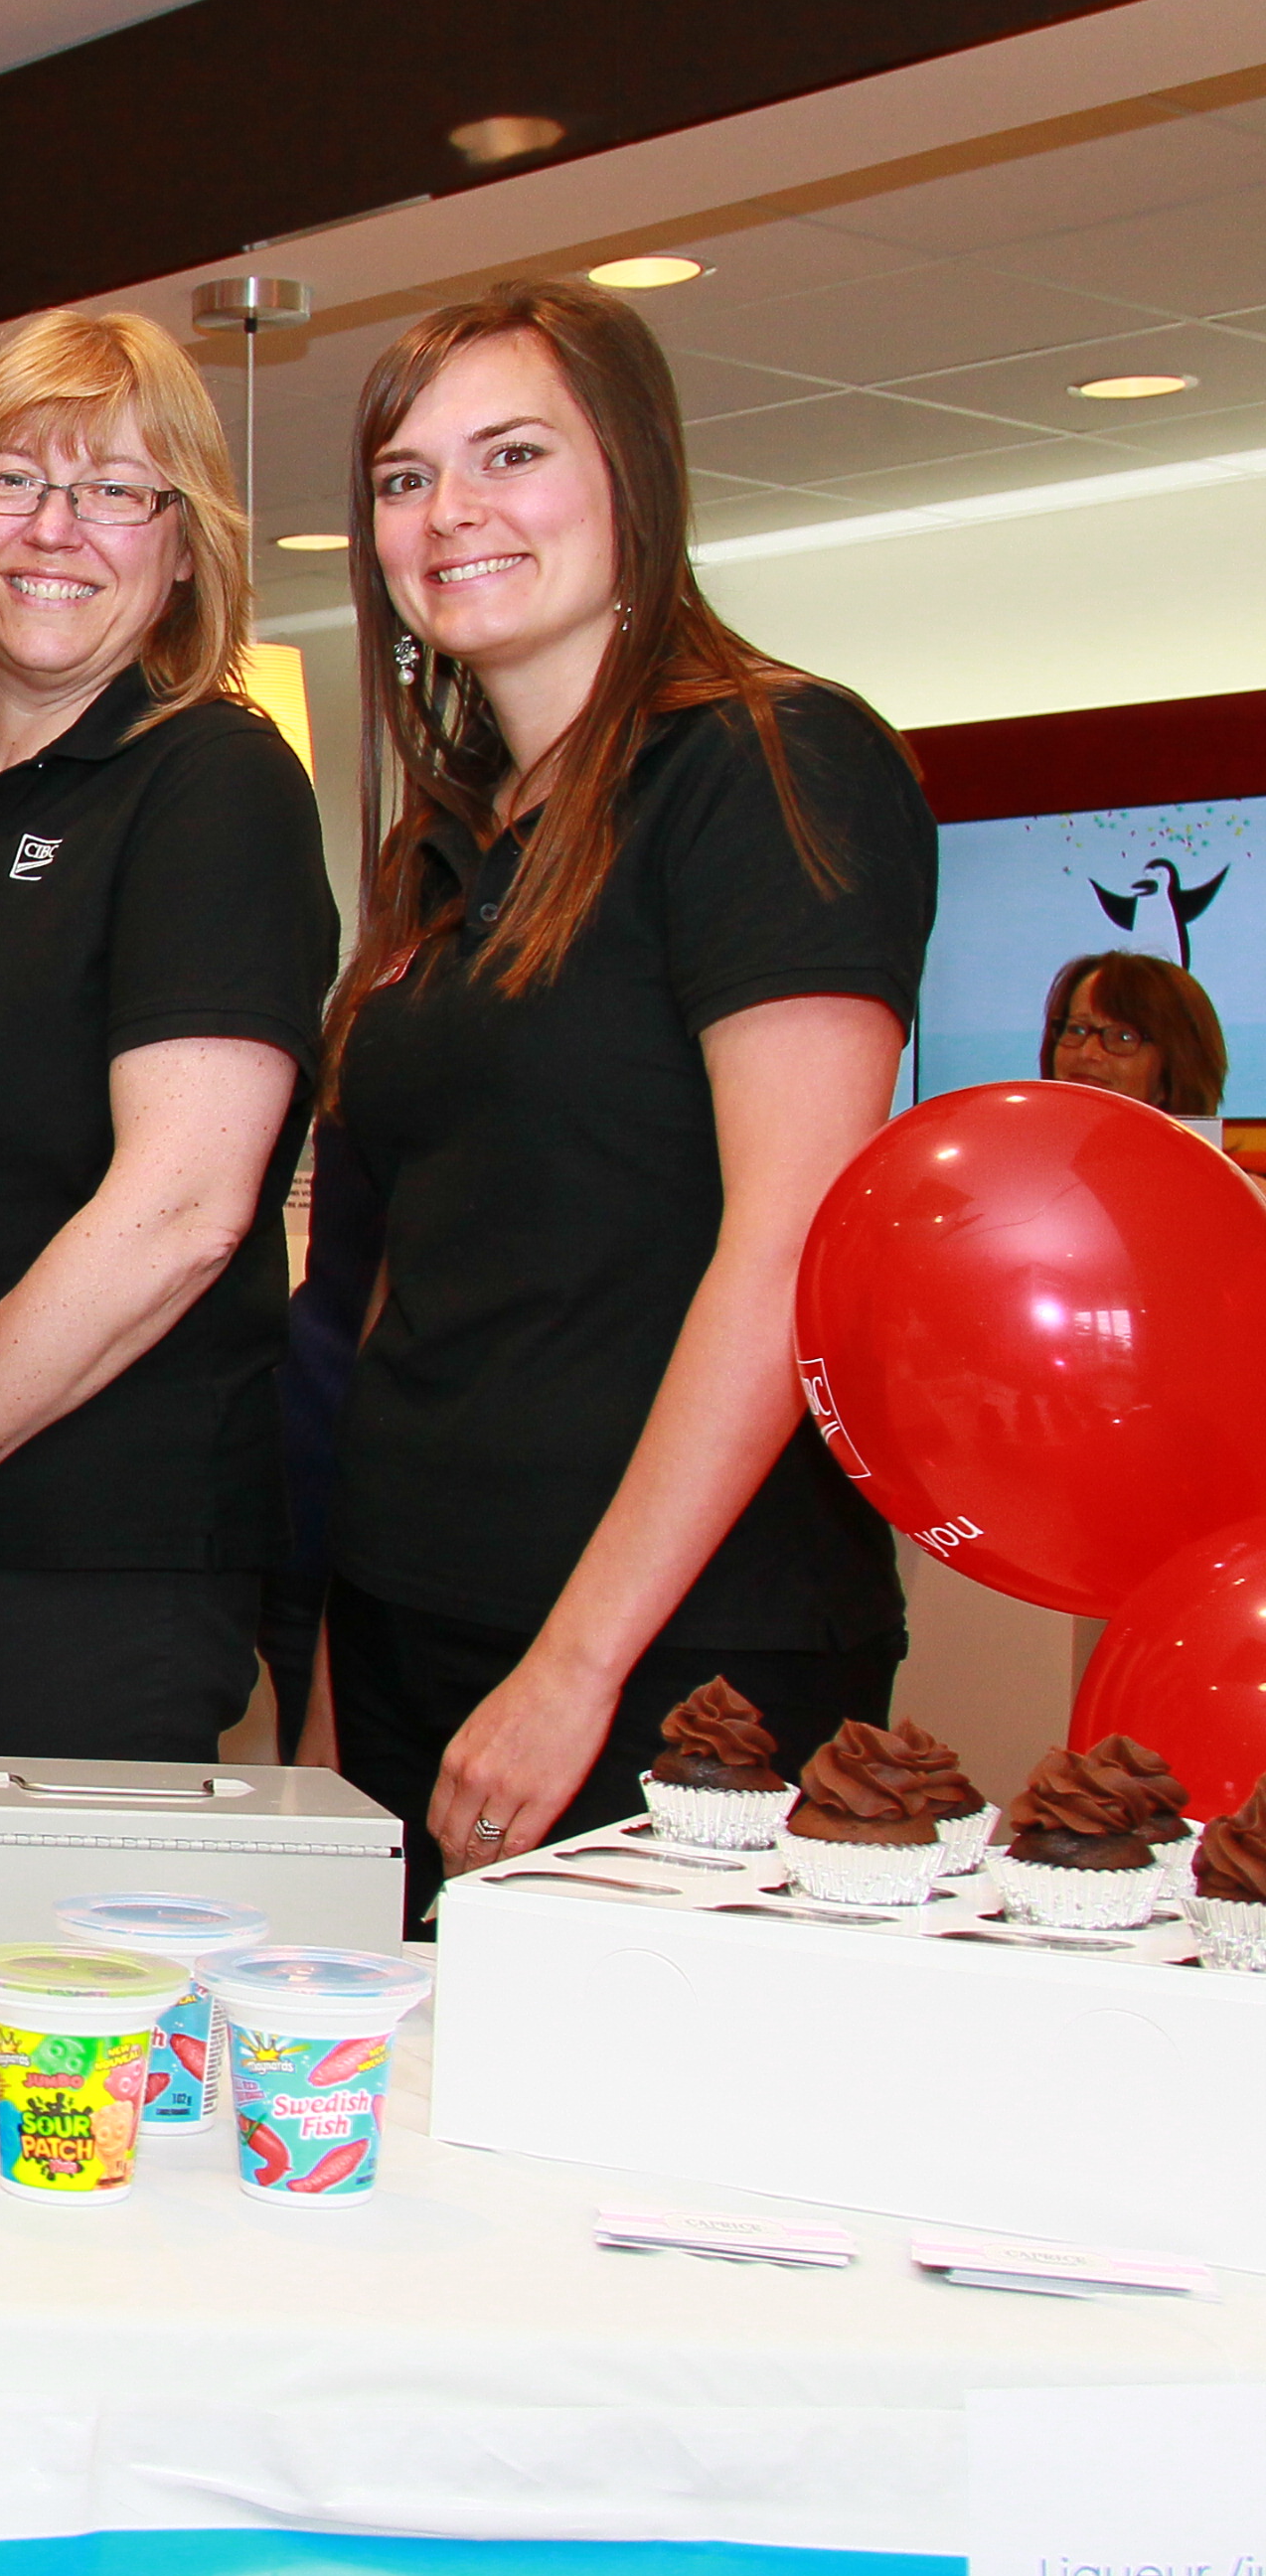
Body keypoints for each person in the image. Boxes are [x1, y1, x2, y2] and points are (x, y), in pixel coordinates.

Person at [318, 278, 937, 1921]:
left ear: (635, 480)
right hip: (410, 1612)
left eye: (510, 453)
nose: (452, 512)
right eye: (404, 477)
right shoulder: (448, 845)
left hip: (683, 1650)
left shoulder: (769, 762)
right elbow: (413, 1273)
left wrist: (577, 1663)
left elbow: (794, 1239)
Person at [0, 311, 335, 1763]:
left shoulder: (211, 783)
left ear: (184, 546)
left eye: (115, 490)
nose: (55, 528)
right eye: (12, 481)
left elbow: (179, 1213)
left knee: (13, 1986)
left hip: (80, 1555)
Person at [1040, 951, 1226, 1117]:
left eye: (1123, 1037)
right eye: (1076, 1029)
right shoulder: (1020, 1149)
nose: (1087, 1053)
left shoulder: (1200, 1156)